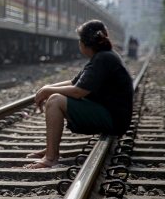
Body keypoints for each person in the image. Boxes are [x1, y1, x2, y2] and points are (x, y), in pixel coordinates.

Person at [24, 20, 133, 169]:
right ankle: (51, 149)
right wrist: (47, 88)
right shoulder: (104, 56)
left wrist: (48, 91)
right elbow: (75, 83)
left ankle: (50, 157)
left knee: (56, 100)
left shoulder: (103, 59)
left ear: (83, 44)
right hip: (113, 115)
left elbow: (77, 92)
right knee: (54, 95)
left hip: (114, 118)